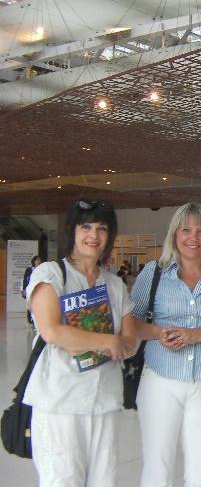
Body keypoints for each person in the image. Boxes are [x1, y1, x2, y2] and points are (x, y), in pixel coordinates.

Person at [23, 198, 136, 486]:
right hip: (60, 402)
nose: (93, 236)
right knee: (62, 479)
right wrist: (107, 341)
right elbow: (52, 330)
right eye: (86, 227)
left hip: (105, 401)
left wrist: (96, 341)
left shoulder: (114, 285)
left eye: (102, 228)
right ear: (72, 230)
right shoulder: (50, 274)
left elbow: (129, 341)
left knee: (104, 480)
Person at [131, 202, 201, 487]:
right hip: (160, 380)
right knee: (158, 466)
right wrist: (159, 332)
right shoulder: (153, 272)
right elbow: (130, 324)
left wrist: (198, 334)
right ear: (174, 235)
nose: (193, 238)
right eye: (186, 230)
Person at [22, 254, 42, 326]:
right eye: (37, 260)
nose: (38, 261)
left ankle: (36, 319)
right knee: (30, 304)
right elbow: (25, 279)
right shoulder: (29, 269)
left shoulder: (42, 269)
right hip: (29, 289)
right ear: (34, 261)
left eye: (39, 260)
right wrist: (23, 289)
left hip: (38, 289)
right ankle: (30, 319)